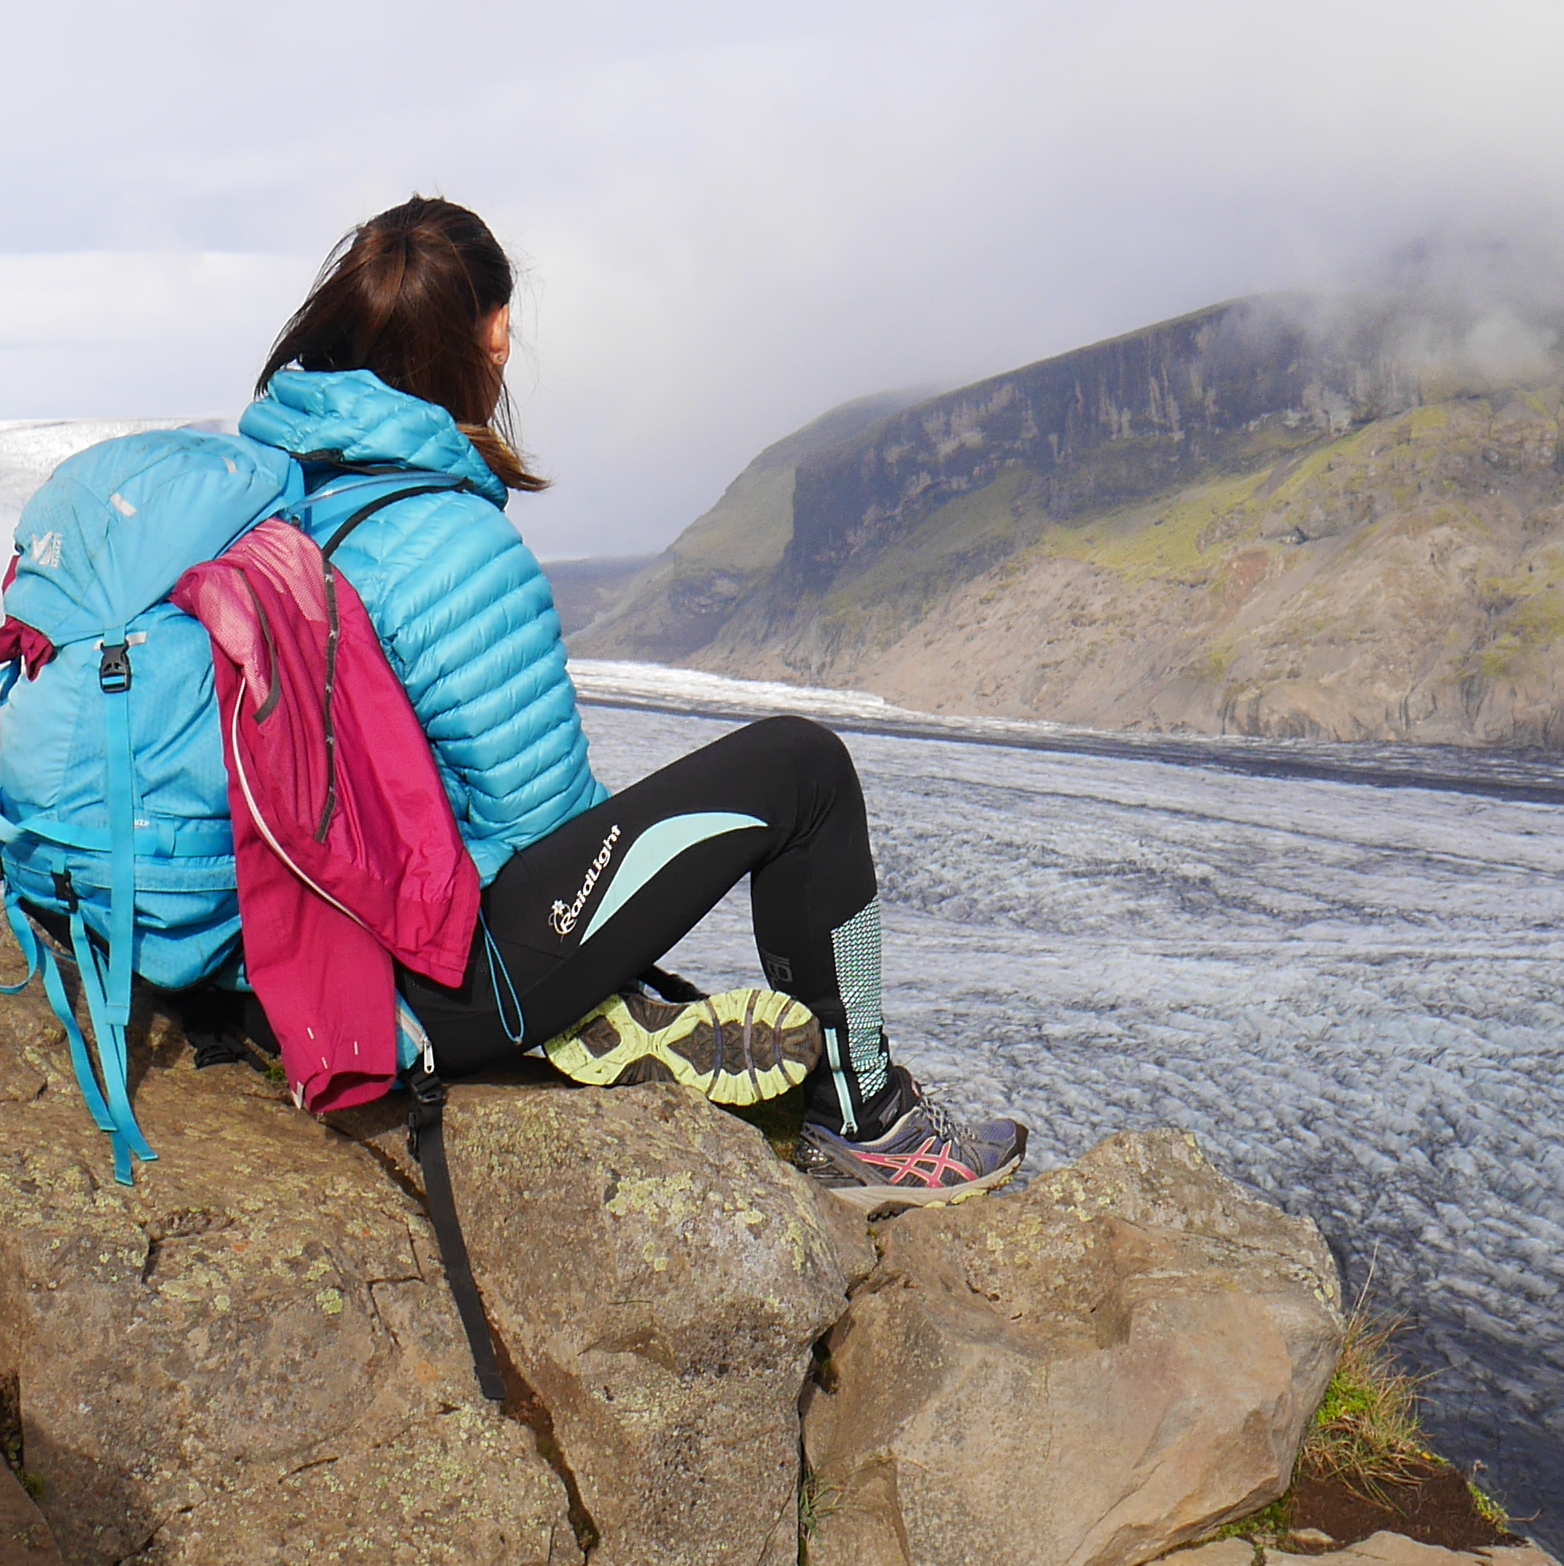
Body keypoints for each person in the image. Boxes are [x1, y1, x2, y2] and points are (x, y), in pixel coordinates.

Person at [238, 196, 1028, 1196]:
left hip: (293, 963)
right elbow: (539, 827)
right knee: (804, 768)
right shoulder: (450, 545)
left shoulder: (289, 499)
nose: (506, 345)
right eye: (500, 323)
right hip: (428, 986)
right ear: (473, 339)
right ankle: (863, 1117)